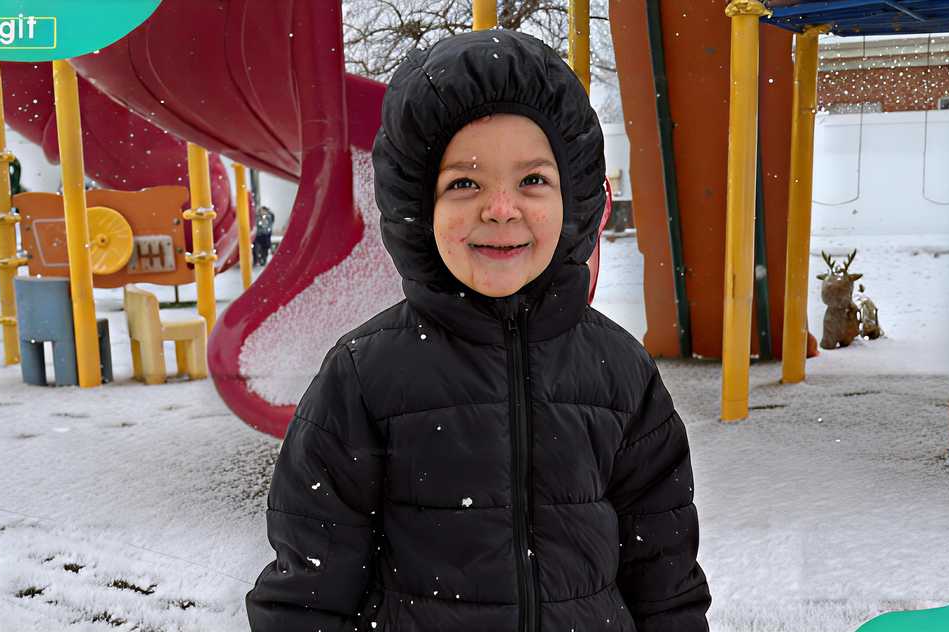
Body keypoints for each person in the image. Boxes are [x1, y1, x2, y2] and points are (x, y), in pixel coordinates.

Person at [246, 30, 710, 631]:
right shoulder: (365, 376)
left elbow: (665, 580)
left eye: (532, 180)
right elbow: (308, 594)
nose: (500, 208)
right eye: (464, 183)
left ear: (573, 201)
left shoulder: (620, 373)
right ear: (418, 208)